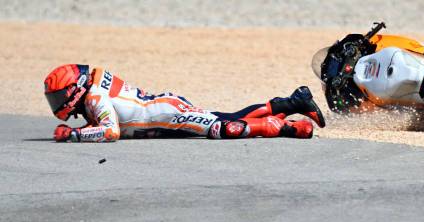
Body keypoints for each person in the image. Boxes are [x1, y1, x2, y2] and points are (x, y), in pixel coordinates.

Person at [44, 64, 325, 142]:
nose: (57, 104)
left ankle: (290, 128)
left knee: (226, 129)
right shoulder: (95, 88)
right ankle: (290, 102)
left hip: (169, 114)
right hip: (164, 113)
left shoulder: (95, 98)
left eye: (58, 96)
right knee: (227, 117)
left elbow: (110, 132)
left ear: (75, 90)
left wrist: (73, 135)